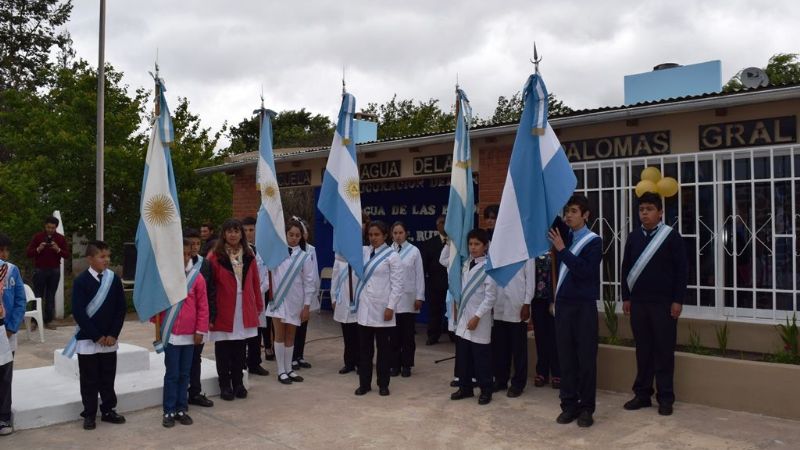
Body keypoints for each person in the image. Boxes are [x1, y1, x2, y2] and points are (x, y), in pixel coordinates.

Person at [621, 192, 688, 417]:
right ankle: (642, 394)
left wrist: (678, 299)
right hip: (639, 304)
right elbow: (626, 268)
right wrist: (626, 297)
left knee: (664, 351)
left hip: (664, 304)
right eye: (641, 210)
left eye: (649, 209)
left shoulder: (671, 237)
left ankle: (666, 397)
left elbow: (682, 271)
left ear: (660, 213)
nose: (645, 213)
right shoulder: (633, 237)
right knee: (643, 351)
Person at [548, 194, 602, 428]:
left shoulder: (593, 241)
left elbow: (585, 272)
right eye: (567, 211)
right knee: (566, 358)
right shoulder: (565, 234)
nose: (568, 215)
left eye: (573, 211)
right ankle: (568, 405)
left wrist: (562, 250)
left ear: (586, 215)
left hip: (583, 307)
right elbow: (547, 215)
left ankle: (586, 408)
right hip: (564, 307)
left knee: (586, 359)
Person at [67, 240, 127, 430]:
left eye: (108, 256)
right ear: (90, 259)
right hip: (88, 339)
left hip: (109, 340)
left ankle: (108, 409)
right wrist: (96, 336)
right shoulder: (81, 281)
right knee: (89, 379)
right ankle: (90, 413)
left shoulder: (114, 279)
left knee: (108, 376)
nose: (107, 260)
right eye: (102, 256)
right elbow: (79, 312)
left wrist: (112, 334)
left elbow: (120, 309)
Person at [201, 219, 264, 401]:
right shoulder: (215, 256)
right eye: (229, 231)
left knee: (239, 348)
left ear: (241, 234)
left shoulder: (249, 254)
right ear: (224, 234)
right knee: (223, 349)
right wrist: (209, 310)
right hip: (223, 308)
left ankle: (238, 383)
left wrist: (258, 305)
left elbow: (254, 281)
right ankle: (225, 385)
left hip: (243, 307)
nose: (233, 235)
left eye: (237, 231)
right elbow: (209, 285)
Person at [155, 239, 209, 428]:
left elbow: (203, 306)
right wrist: (158, 325)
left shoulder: (197, 278)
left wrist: (200, 329)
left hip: (189, 335)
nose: (185, 257)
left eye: (188, 254)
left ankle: (181, 408)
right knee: (172, 374)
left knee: (185, 373)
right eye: (180, 254)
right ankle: (168, 409)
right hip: (170, 334)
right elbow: (158, 305)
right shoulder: (165, 278)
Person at [354, 221, 403, 397]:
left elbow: (397, 285)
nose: (373, 238)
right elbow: (342, 255)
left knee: (384, 351)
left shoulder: (392, 256)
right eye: (370, 235)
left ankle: (383, 384)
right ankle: (364, 384)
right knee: (365, 350)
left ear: (385, 236)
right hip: (365, 309)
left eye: (376, 235)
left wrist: (391, 307)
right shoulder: (363, 252)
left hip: (384, 310)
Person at [449, 228, 497, 406]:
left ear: (485, 246)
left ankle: (486, 389)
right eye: (470, 244)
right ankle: (465, 387)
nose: (473, 247)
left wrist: (477, 317)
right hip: (463, 316)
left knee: (481, 356)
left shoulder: (488, 268)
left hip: (479, 318)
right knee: (464, 355)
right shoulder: (464, 264)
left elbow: (490, 297)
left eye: (477, 244)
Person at [266, 219, 316, 385]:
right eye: (291, 234)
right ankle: (281, 370)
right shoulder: (276, 253)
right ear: (285, 234)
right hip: (278, 300)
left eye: (297, 235)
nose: (294, 238)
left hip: (296, 300)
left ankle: (289, 369)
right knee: (279, 335)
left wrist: (307, 305)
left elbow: (309, 282)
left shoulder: (304, 257)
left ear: (301, 237)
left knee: (290, 336)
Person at [492, 259, 534, 398]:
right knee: (500, 348)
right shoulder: (497, 247)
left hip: (517, 305)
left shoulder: (525, 250)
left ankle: (518, 383)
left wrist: (527, 303)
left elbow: (530, 278)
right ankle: (501, 380)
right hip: (499, 304)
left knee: (518, 349)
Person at [389, 221, 424, 378]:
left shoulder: (414, 251)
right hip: (392, 300)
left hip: (409, 298)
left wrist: (419, 296)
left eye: (400, 233)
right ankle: (394, 364)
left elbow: (419, 276)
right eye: (395, 233)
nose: (397, 236)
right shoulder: (388, 251)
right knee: (393, 335)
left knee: (408, 335)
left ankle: (407, 365)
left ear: (406, 233)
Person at [184, 228, 214, 408]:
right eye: (191, 244)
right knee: (181, 359)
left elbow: (211, 291)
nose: (195, 247)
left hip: (199, 319)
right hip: (181, 320)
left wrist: (210, 317)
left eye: (197, 243)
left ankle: (194, 392)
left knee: (196, 357)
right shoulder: (177, 264)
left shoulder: (205, 264)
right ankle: (181, 393)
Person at [0, 233, 26, 436]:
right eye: (3, 250)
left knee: (4, 376)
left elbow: (20, 300)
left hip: (5, 331)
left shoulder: (11, 270)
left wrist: (12, 326)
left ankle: (3, 417)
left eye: (6, 251)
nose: (5, 254)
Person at [26, 216, 70, 329]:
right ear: (45, 226)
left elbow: (66, 255)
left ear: (56, 227)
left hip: (54, 270)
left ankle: (48, 320)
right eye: (48, 227)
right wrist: (38, 249)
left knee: (50, 296)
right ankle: (35, 322)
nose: (50, 230)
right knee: (37, 296)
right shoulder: (38, 237)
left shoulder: (60, 238)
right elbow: (28, 253)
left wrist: (58, 249)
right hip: (40, 270)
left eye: (53, 228)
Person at [241, 216, 270, 377]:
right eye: (245, 230)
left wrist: (259, 291)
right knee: (244, 331)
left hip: (258, 295)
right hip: (245, 297)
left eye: (251, 230)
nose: (248, 233)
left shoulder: (262, 249)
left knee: (256, 331)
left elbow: (267, 274)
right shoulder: (240, 251)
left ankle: (255, 362)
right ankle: (242, 361)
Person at [291, 216, 320, 371]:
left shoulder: (310, 250)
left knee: (303, 326)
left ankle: (299, 355)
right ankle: (291, 356)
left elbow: (313, 273)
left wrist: (313, 292)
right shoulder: (290, 250)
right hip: (293, 293)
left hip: (306, 293)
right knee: (292, 326)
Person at [531, 252, 560, 389]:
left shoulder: (557, 250)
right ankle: (542, 371)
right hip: (537, 300)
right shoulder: (533, 251)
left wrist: (554, 300)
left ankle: (557, 372)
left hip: (554, 300)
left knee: (555, 337)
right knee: (540, 336)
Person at [420, 215, 449, 345]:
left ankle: (453, 334)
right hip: (435, 283)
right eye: (442, 223)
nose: (444, 225)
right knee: (435, 310)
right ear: (437, 226)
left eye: (447, 222)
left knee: (452, 310)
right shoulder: (429, 243)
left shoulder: (456, 242)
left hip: (451, 283)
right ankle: (433, 335)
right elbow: (424, 266)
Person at [331, 254, 359, 374]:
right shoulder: (339, 258)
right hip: (343, 301)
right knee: (347, 336)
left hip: (358, 301)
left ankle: (361, 363)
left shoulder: (362, 254)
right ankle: (349, 363)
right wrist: (333, 298)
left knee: (359, 336)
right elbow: (335, 278)